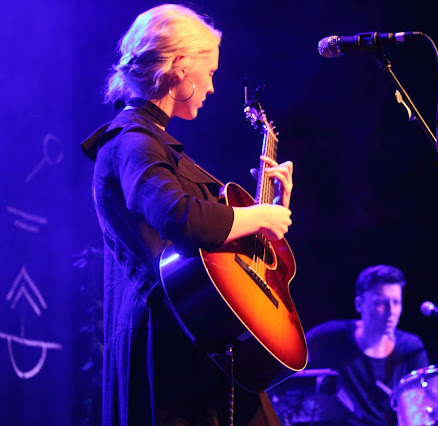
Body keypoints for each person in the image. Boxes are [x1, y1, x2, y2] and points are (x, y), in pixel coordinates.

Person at [80, 4, 293, 425]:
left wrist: (274, 211)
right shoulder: (131, 140)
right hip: (170, 352)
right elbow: (179, 218)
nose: (212, 87)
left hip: (199, 338)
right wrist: (259, 218)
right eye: (209, 72)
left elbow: (214, 255)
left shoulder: (153, 142)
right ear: (180, 66)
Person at [305, 264, 428, 425]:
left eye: (396, 302)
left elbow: (419, 412)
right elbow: (288, 362)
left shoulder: (412, 349)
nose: (391, 311)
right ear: (359, 305)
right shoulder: (329, 338)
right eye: (380, 302)